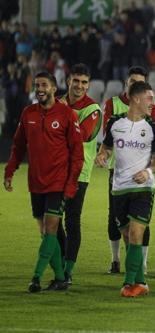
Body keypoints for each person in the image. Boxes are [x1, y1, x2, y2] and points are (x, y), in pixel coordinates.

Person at [4, 71, 84, 292]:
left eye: (44, 85)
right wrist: (10, 170)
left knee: (50, 230)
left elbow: (77, 154)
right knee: (45, 233)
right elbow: (18, 145)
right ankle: (60, 278)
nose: (39, 89)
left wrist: (71, 185)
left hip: (58, 182)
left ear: (53, 88)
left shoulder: (67, 114)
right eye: (37, 85)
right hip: (35, 183)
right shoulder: (28, 113)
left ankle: (36, 277)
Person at [96, 81, 155, 298]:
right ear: (136, 98)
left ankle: (130, 284)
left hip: (143, 188)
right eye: (149, 98)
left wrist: (149, 172)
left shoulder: (154, 127)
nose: (152, 103)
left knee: (136, 233)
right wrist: (102, 155)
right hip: (119, 188)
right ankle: (140, 282)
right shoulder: (115, 123)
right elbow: (106, 147)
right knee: (127, 235)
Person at [57, 64, 102, 284]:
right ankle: (62, 263)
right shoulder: (57, 102)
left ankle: (67, 271)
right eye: (76, 81)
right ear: (68, 81)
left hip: (78, 172)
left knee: (72, 221)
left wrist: (62, 113)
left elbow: (82, 135)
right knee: (51, 221)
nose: (79, 86)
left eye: (84, 82)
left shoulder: (93, 109)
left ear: (89, 84)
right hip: (54, 170)